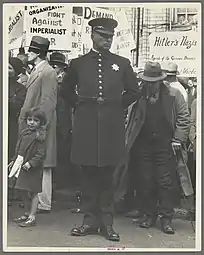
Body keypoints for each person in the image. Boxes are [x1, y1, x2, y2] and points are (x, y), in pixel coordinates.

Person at [61, 17, 140, 241]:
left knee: (108, 177)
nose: (108, 40)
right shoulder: (78, 63)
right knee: (87, 176)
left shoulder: (122, 63)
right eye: (103, 36)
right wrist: (81, 106)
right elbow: (66, 91)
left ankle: (107, 223)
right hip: (86, 129)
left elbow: (134, 92)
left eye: (111, 37)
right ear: (93, 36)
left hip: (110, 130)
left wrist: (115, 106)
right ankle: (88, 221)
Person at [115, 61, 192, 235]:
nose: (150, 85)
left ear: (160, 80)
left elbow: (183, 118)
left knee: (165, 182)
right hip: (143, 145)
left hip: (166, 145)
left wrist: (178, 139)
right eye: (147, 81)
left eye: (153, 82)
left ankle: (166, 218)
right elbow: (129, 116)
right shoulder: (139, 95)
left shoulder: (174, 94)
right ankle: (148, 215)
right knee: (145, 180)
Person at [18, 36, 58, 213]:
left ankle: (44, 201)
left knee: (42, 162)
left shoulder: (48, 72)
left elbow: (48, 101)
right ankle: (38, 200)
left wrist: (40, 126)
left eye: (31, 51)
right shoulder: (39, 70)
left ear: (38, 53)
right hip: (34, 123)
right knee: (37, 161)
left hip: (40, 124)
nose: (29, 54)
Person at [10, 108, 46, 227]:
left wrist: (31, 163)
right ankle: (26, 212)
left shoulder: (39, 136)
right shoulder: (24, 133)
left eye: (35, 120)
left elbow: (41, 154)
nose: (31, 122)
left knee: (34, 192)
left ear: (41, 122)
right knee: (22, 189)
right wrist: (13, 160)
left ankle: (32, 216)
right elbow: (18, 148)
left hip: (32, 169)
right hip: (21, 165)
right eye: (29, 119)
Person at [8, 57, 27, 205]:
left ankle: (10, 190)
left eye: (10, 68)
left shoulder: (20, 89)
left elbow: (17, 106)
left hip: (11, 126)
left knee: (9, 156)